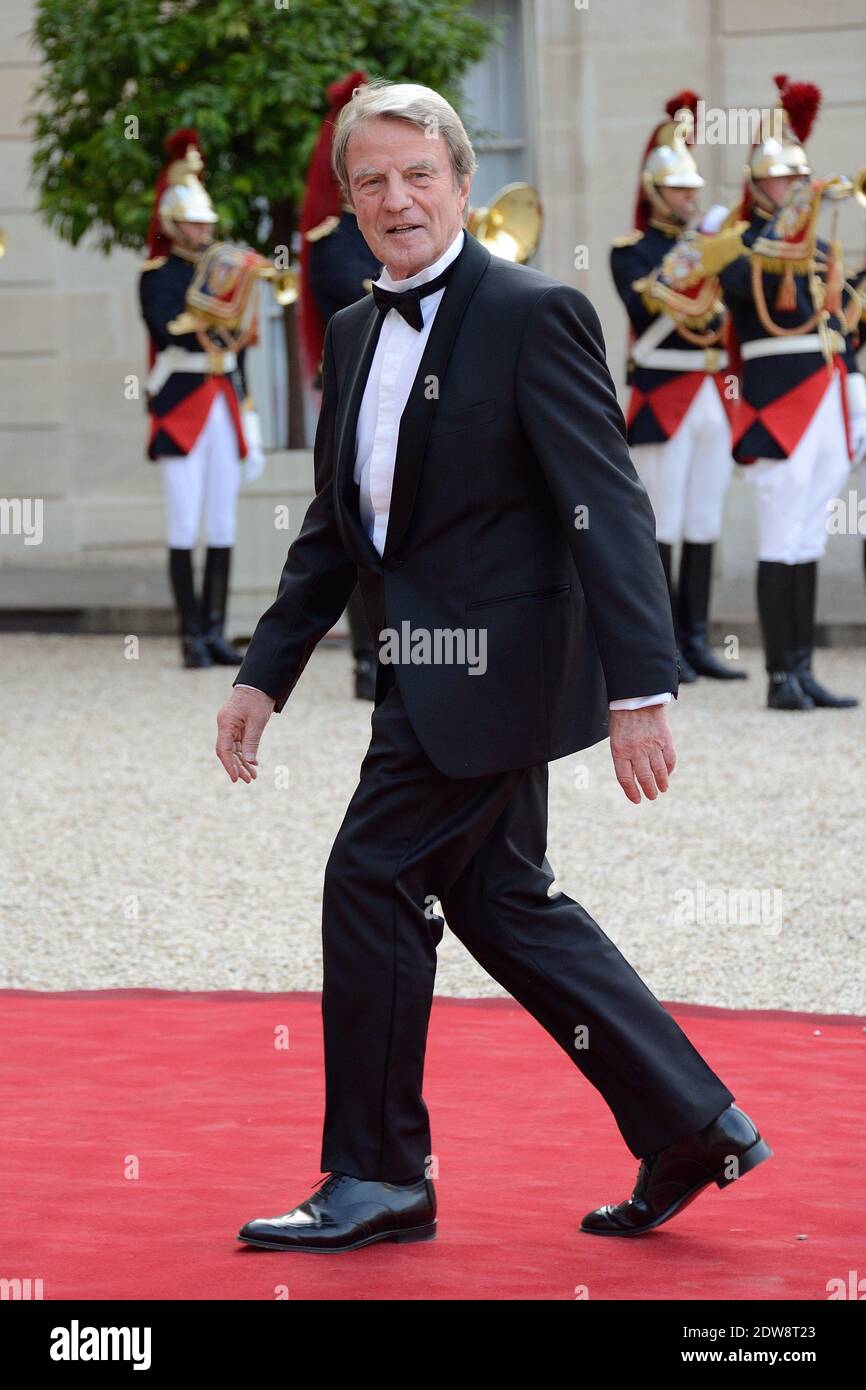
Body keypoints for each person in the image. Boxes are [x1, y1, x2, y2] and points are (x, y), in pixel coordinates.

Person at [215, 80, 771, 1252]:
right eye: (370, 181)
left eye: (417, 173)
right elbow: (335, 526)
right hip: (417, 669)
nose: (394, 198)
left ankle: (376, 1176)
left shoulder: (532, 310)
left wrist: (640, 685)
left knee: (367, 880)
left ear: (461, 183)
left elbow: (603, 502)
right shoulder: (358, 330)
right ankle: (690, 1121)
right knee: (501, 900)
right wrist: (264, 673)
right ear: (352, 203)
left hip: (498, 671)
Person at [720, 76, 865, 710]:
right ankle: (779, 675)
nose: (793, 187)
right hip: (779, 401)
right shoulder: (740, 245)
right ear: (758, 185)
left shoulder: (825, 248)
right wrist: (785, 224)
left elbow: (840, 327)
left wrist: (855, 391)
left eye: (798, 177)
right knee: (780, 535)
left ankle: (802, 668)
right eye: (780, 179)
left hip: (826, 394)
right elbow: (734, 288)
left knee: (809, 536)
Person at [610, 92, 746, 683]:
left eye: (694, 190)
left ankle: (696, 639)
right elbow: (644, 310)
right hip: (664, 394)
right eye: (679, 190)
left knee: (704, 519)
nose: (691, 198)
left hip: (712, 393)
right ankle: (660, 647)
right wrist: (695, 258)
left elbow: (731, 312)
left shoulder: (716, 249)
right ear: (655, 193)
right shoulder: (631, 252)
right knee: (660, 523)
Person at [139, 129, 261, 669]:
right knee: (184, 523)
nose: (202, 229)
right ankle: (189, 633)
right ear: (172, 223)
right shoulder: (157, 274)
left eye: (206, 223)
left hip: (223, 396)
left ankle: (214, 630)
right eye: (193, 222)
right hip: (182, 399)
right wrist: (216, 311)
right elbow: (167, 330)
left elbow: (240, 348)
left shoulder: (225, 270)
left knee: (222, 522)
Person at [299, 71, 385, 700]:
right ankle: (365, 656)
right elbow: (355, 300)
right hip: (358, 391)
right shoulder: (331, 241)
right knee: (354, 519)